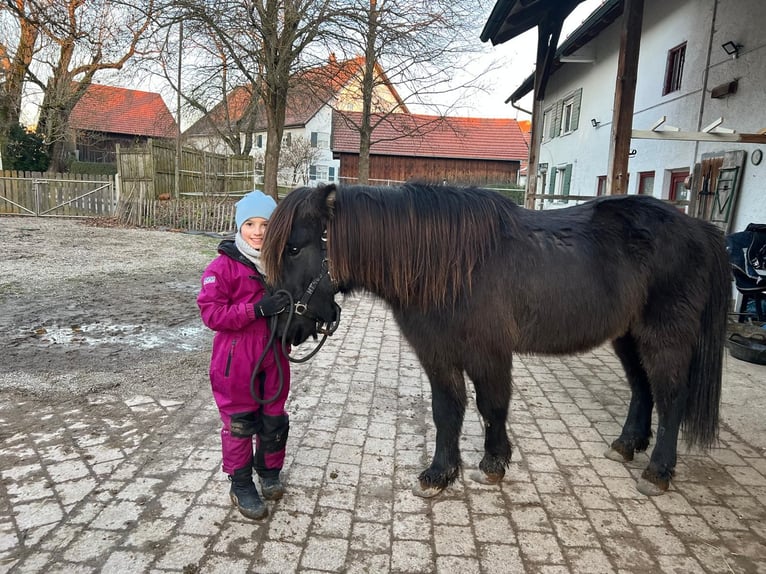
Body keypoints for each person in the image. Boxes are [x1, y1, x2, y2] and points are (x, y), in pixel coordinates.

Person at [197, 190, 291, 520]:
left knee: (274, 419)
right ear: (239, 227)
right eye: (250, 224)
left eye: (266, 224)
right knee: (240, 424)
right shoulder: (221, 268)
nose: (258, 231)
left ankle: (268, 473)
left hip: (274, 355)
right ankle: (240, 484)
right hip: (236, 360)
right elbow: (212, 315)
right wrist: (254, 310)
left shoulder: (280, 264)